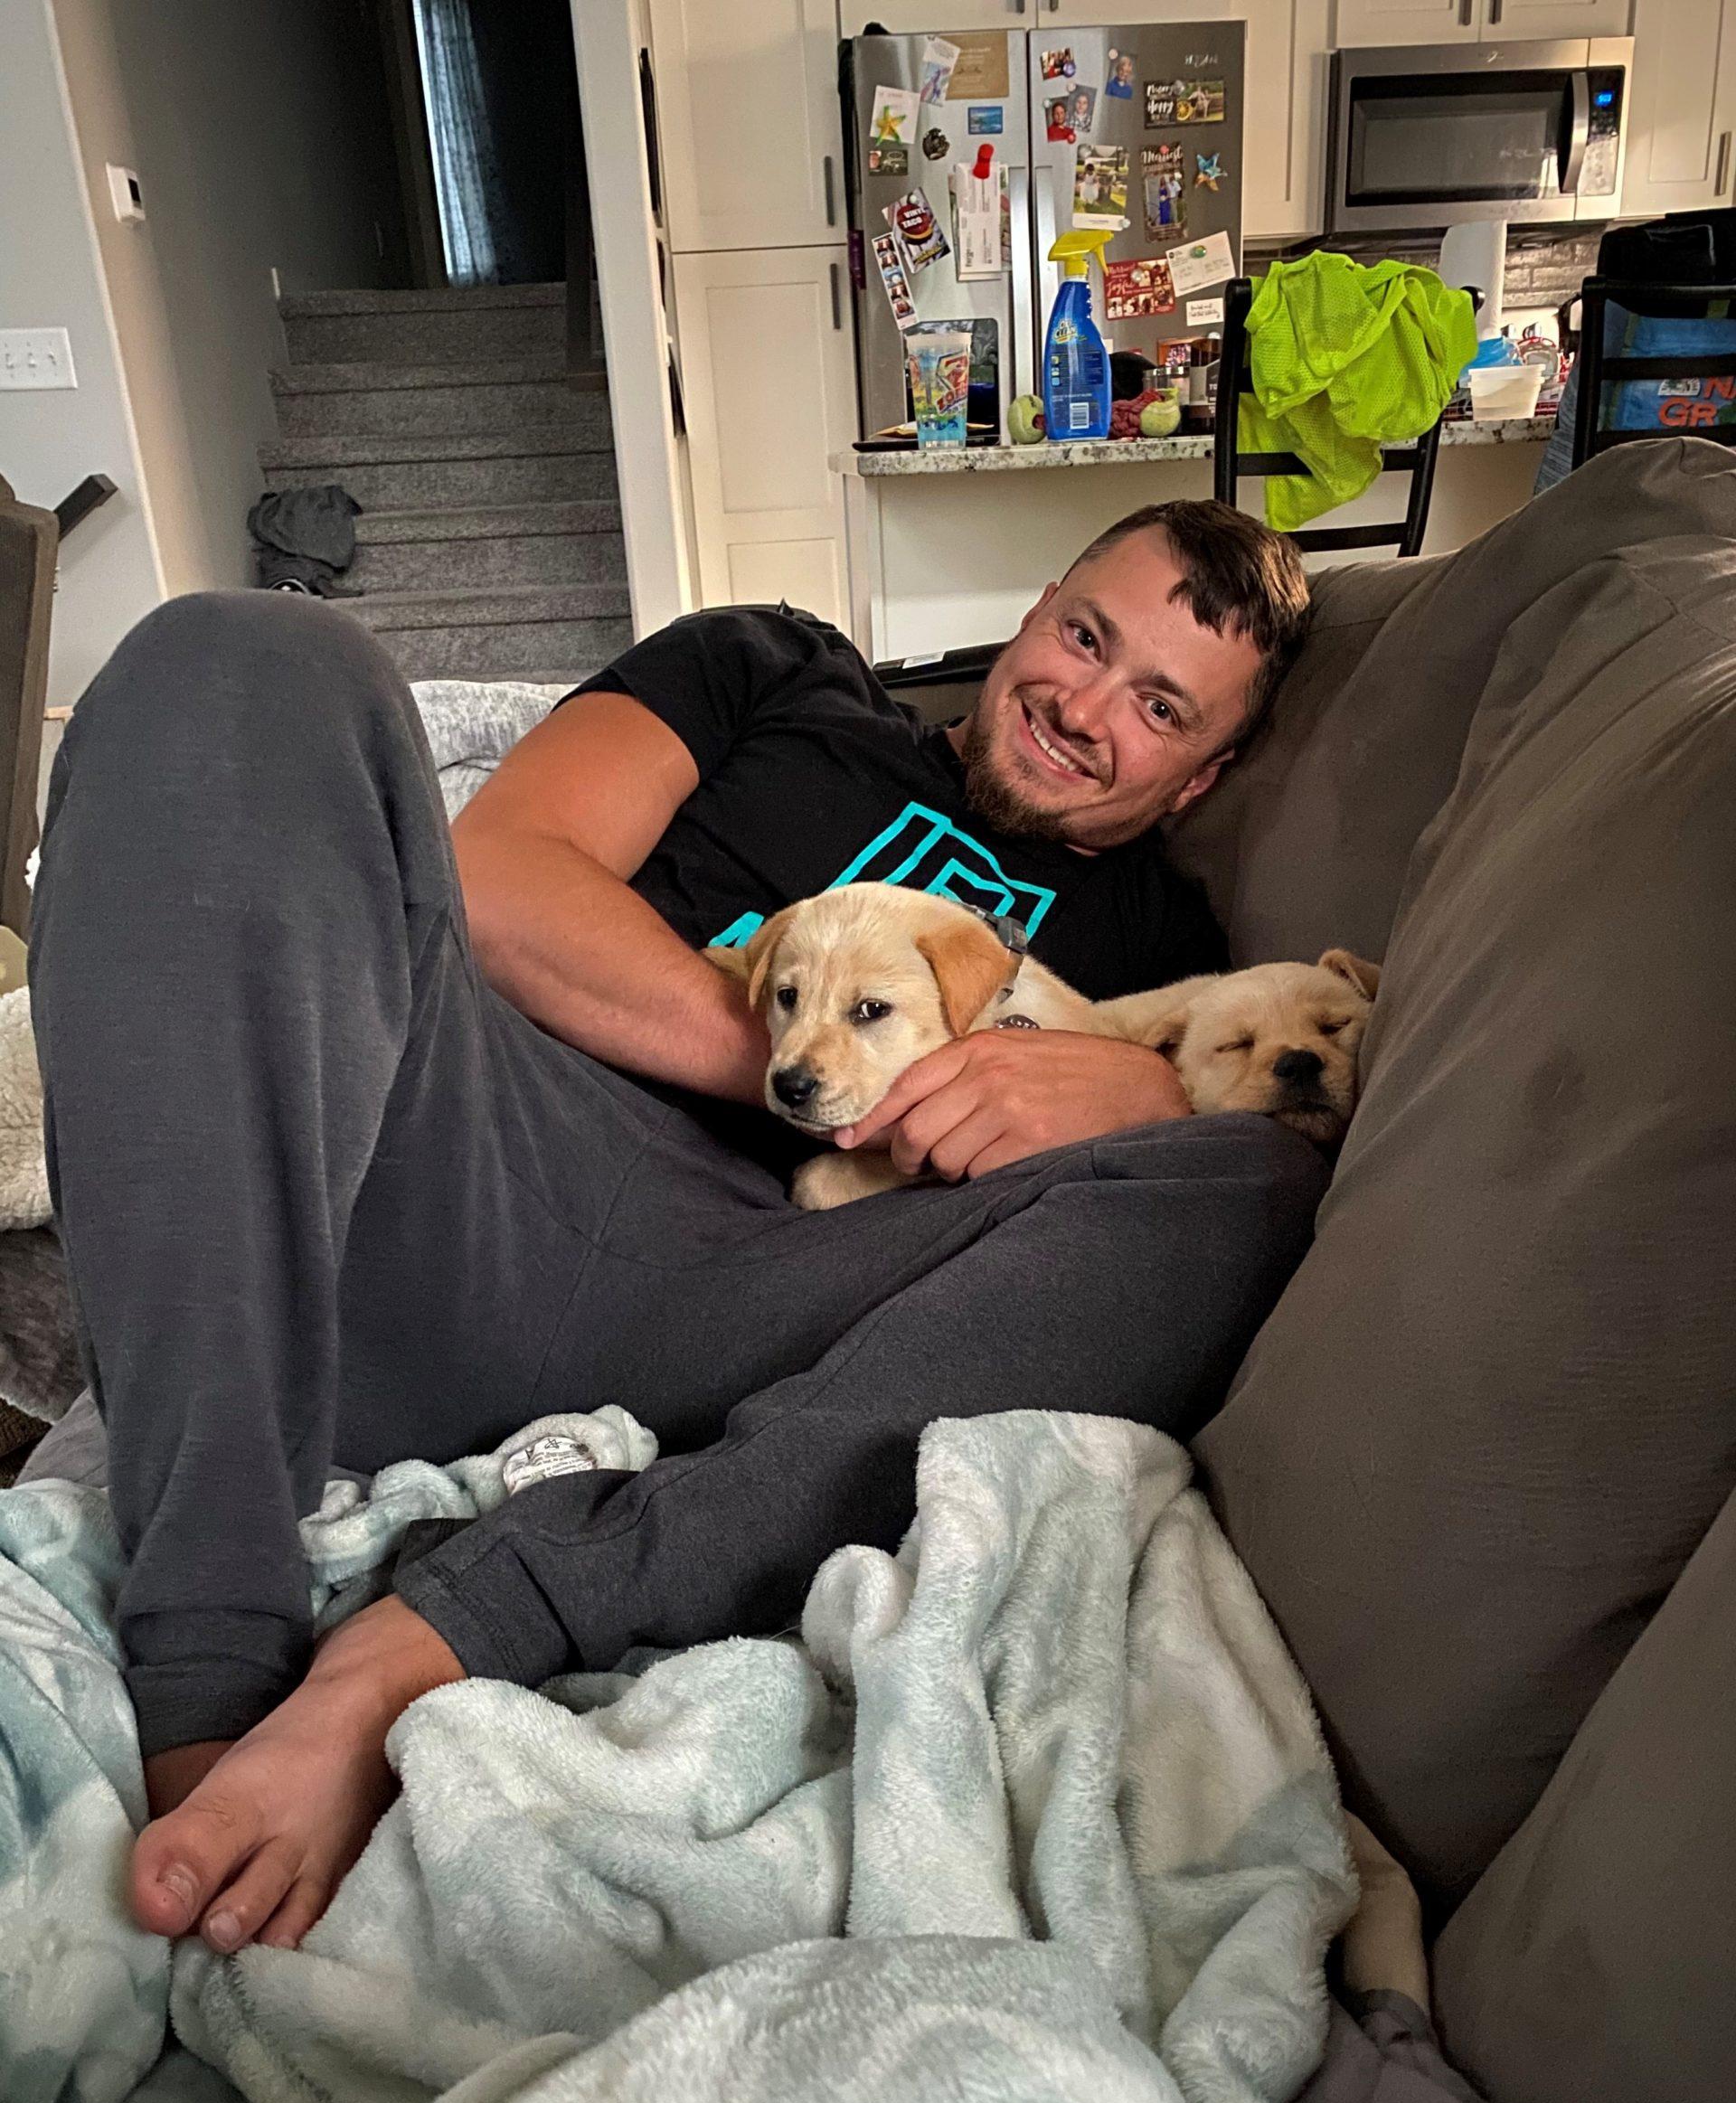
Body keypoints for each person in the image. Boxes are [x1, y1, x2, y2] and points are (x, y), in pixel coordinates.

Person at [30, 498, 1316, 1960]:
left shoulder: (1162, 944)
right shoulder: (780, 672)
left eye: (1156, 707)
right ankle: (203, 1673)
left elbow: (1229, 1121)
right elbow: (498, 881)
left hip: (782, 1299)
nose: (1084, 707)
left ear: (1201, 777)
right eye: (1084, 637)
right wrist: (823, 1071)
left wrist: (1138, 1089)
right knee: (238, 656)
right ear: (1036, 611)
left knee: (1253, 1184)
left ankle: (442, 1639)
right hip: (490, 1162)